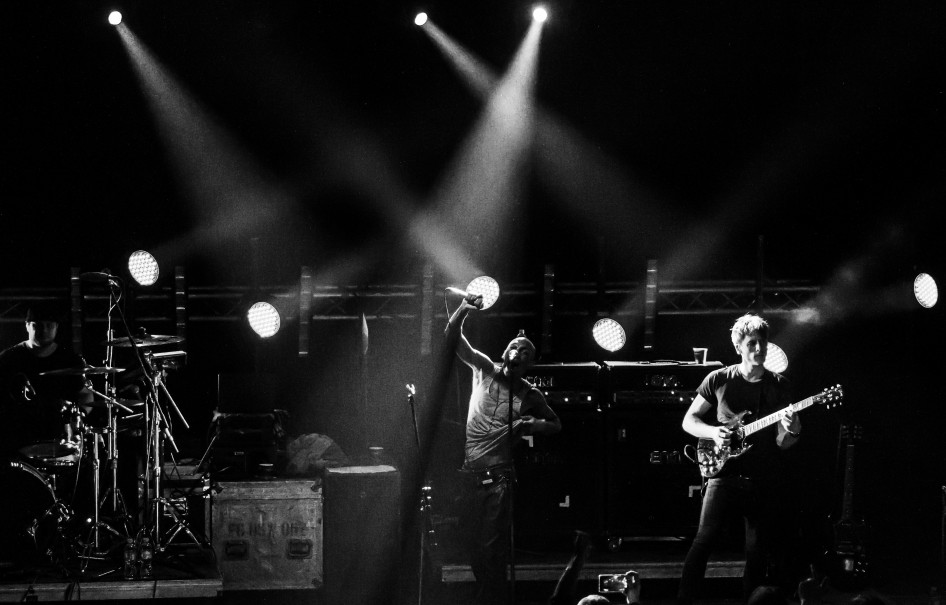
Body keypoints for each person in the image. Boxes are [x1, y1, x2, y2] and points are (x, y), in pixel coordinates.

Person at [445, 294, 562, 605]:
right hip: (470, 473)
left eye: (525, 351)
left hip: (499, 477)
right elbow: (452, 338)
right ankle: (490, 595)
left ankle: (489, 600)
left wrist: (532, 424)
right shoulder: (484, 369)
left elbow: (556, 424)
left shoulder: (529, 393)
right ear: (505, 353)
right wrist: (463, 309)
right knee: (471, 545)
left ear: (529, 362)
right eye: (514, 347)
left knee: (491, 548)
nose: (518, 352)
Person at [677, 313, 802, 605]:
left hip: (762, 477)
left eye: (763, 343)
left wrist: (793, 428)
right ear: (738, 347)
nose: (759, 348)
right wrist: (713, 432)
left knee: (756, 551)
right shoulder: (719, 379)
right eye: (752, 343)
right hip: (722, 472)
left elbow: (783, 443)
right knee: (703, 541)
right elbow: (689, 421)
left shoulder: (779, 385)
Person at [0, 303, 92, 457]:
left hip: (60, 438)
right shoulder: (8, 359)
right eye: (37, 325)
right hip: (18, 438)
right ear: (27, 326)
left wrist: (79, 415)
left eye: (49, 325)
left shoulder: (70, 360)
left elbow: (86, 395)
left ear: (56, 327)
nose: (44, 330)